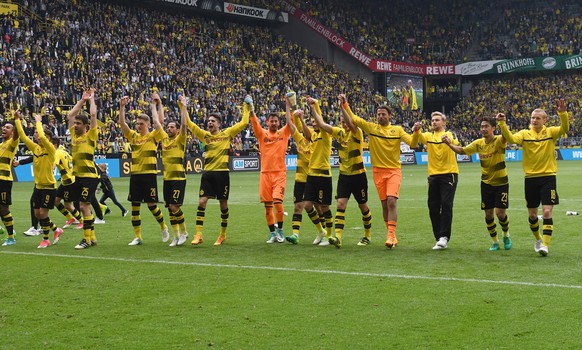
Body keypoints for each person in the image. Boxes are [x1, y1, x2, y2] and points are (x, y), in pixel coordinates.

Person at [340, 95, 420, 248]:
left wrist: (416, 132)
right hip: (378, 172)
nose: (381, 116)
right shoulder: (372, 128)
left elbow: (412, 144)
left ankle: (390, 235)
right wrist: (345, 103)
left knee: (391, 201)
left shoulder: (397, 130)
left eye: (384, 114)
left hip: (394, 171)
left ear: (390, 116)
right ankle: (392, 235)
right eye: (379, 114)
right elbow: (354, 119)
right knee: (384, 205)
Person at [496, 99, 569, 256]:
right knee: (533, 215)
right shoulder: (524, 134)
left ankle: (545, 245)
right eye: (532, 118)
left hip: (548, 177)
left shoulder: (551, 133)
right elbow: (511, 139)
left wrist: (563, 113)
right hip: (530, 179)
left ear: (545, 120)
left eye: (538, 118)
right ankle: (538, 239)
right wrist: (502, 124)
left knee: (548, 212)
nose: (534, 120)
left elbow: (565, 127)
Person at [442, 116, 511, 251]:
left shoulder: (499, 141)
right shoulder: (478, 143)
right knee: (488, 215)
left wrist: (503, 123)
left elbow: (506, 136)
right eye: (482, 126)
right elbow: (462, 150)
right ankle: (495, 241)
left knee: (500, 214)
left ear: (493, 128)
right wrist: (449, 144)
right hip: (486, 184)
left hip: (501, 182)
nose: (483, 129)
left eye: (486, 126)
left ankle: (506, 235)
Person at [187, 98, 250, 246]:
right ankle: (198, 234)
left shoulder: (227, 133)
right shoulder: (205, 136)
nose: (209, 123)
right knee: (202, 201)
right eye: (208, 121)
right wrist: (182, 106)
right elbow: (190, 125)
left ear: (219, 124)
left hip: (222, 174)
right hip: (208, 174)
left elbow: (243, 123)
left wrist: (247, 106)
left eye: (213, 121)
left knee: (223, 204)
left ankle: (222, 234)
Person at [310, 96, 370, 249]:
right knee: (341, 204)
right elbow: (322, 125)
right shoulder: (340, 133)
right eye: (342, 122)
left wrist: (342, 106)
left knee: (363, 206)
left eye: (346, 122)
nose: (344, 124)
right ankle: (338, 237)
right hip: (344, 176)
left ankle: (367, 235)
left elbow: (351, 121)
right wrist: (312, 108)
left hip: (359, 176)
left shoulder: (357, 133)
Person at [119, 95, 169, 246]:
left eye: (141, 124)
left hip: (149, 176)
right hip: (135, 176)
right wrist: (122, 107)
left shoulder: (154, 136)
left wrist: (158, 104)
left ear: (148, 124)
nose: (138, 126)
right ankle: (138, 237)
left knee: (152, 205)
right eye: (137, 124)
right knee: (135, 206)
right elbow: (122, 124)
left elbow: (159, 122)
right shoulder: (133, 137)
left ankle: (163, 227)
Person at [14, 111, 63, 248]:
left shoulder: (51, 150)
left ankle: (46, 239)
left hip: (49, 187)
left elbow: (41, 134)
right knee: (37, 214)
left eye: (43, 137)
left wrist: (38, 122)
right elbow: (23, 137)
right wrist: (17, 120)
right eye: (38, 136)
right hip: (38, 187)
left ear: (49, 139)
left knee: (42, 213)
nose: (39, 138)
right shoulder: (35, 148)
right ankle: (56, 229)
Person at [248, 96, 291, 244]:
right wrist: (251, 107)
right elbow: (254, 121)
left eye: (275, 121)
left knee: (278, 202)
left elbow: (291, 122)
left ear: (279, 123)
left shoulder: (284, 133)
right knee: (267, 207)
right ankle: (272, 233)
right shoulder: (262, 134)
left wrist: (288, 105)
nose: (273, 123)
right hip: (265, 174)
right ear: (267, 122)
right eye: (271, 121)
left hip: (279, 173)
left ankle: (280, 231)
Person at [414, 111, 459, 250]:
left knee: (446, 204)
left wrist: (449, 141)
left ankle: (444, 237)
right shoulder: (428, 136)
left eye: (437, 120)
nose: (434, 122)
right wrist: (415, 130)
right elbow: (414, 142)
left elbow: (456, 144)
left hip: (449, 174)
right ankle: (438, 236)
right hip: (433, 176)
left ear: (444, 123)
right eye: (433, 120)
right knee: (433, 207)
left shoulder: (449, 134)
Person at [284, 106, 327, 245]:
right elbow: (290, 125)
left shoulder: (318, 142)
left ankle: (324, 231)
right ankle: (295, 235)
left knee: (318, 206)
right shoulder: (300, 140)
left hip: (313, 178)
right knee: (298, 206)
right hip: (300, 179)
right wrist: (288, 105)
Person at [298, 96, 338, 246]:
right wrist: (302, 119)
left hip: (324, 175)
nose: (314, 124)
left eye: (316, 122)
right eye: (312, 122)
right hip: (312, 175)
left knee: (324, 206)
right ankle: (320, 230)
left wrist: (314, 107)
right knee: (307, 205)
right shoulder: (313, 135)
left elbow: (319, 119)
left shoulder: (326, 134)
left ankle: (329, 235)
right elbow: (306, 133)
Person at [67, 89, 101, 249]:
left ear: (85, 126)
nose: (74, 125)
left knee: (83, 206)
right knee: (83, 207)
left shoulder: (91, 135)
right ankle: (92, 238)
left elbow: (93, 116)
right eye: (75, 124)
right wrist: (82, 101)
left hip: (90, 176)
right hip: (78, 177)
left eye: (78, 124)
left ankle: (86, 240)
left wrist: (92, 100)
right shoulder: (74, 137)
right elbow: (70, 115)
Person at [159, 94, 189, 247]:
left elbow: (184, 125)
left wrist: (183, 106)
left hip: (178, 179)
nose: (169, 129)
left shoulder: (180, 139)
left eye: (172, 127)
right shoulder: (164, 140)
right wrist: (156, 104)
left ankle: (184, 232)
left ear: (177, 130)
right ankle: (176, 237)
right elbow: (157, 123)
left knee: (174, 206)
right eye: (168, 127)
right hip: (167, 179)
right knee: (170, 209)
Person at [52, 135, 84, 230]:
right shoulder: (64, 152)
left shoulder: (57, 153)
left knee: (68, 205)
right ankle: (70, 218)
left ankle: (81, 221)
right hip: (65, 181)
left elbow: (54, 165)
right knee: (56, 201)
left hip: (70, 182)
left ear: (54, 144)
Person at [0, 118, 19, 246]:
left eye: (7, 128)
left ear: (12, 132)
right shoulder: (1, 145)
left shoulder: (12, 143)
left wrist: (17, 121)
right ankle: (8, 230)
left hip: (4, 180)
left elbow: (18, 135)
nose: (4, 129)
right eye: (4, 127)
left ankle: (11, 237)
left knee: (4, 208)